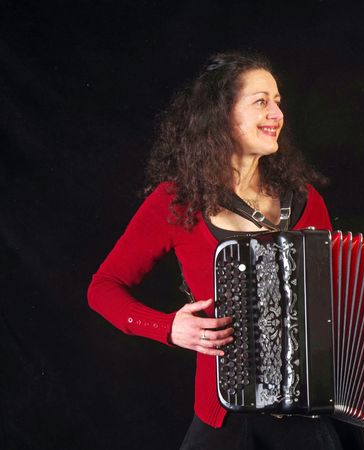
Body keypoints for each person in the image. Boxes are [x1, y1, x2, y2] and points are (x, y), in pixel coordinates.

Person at [87, 52, 344, 449]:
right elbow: (103, 287)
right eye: (261, 101)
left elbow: (339, 307)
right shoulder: (178, 201)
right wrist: (168, 328)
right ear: (221, 115)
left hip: (308, 421)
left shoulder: (306, 200)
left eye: (278, 102)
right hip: (225, 421)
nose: (277, 114)